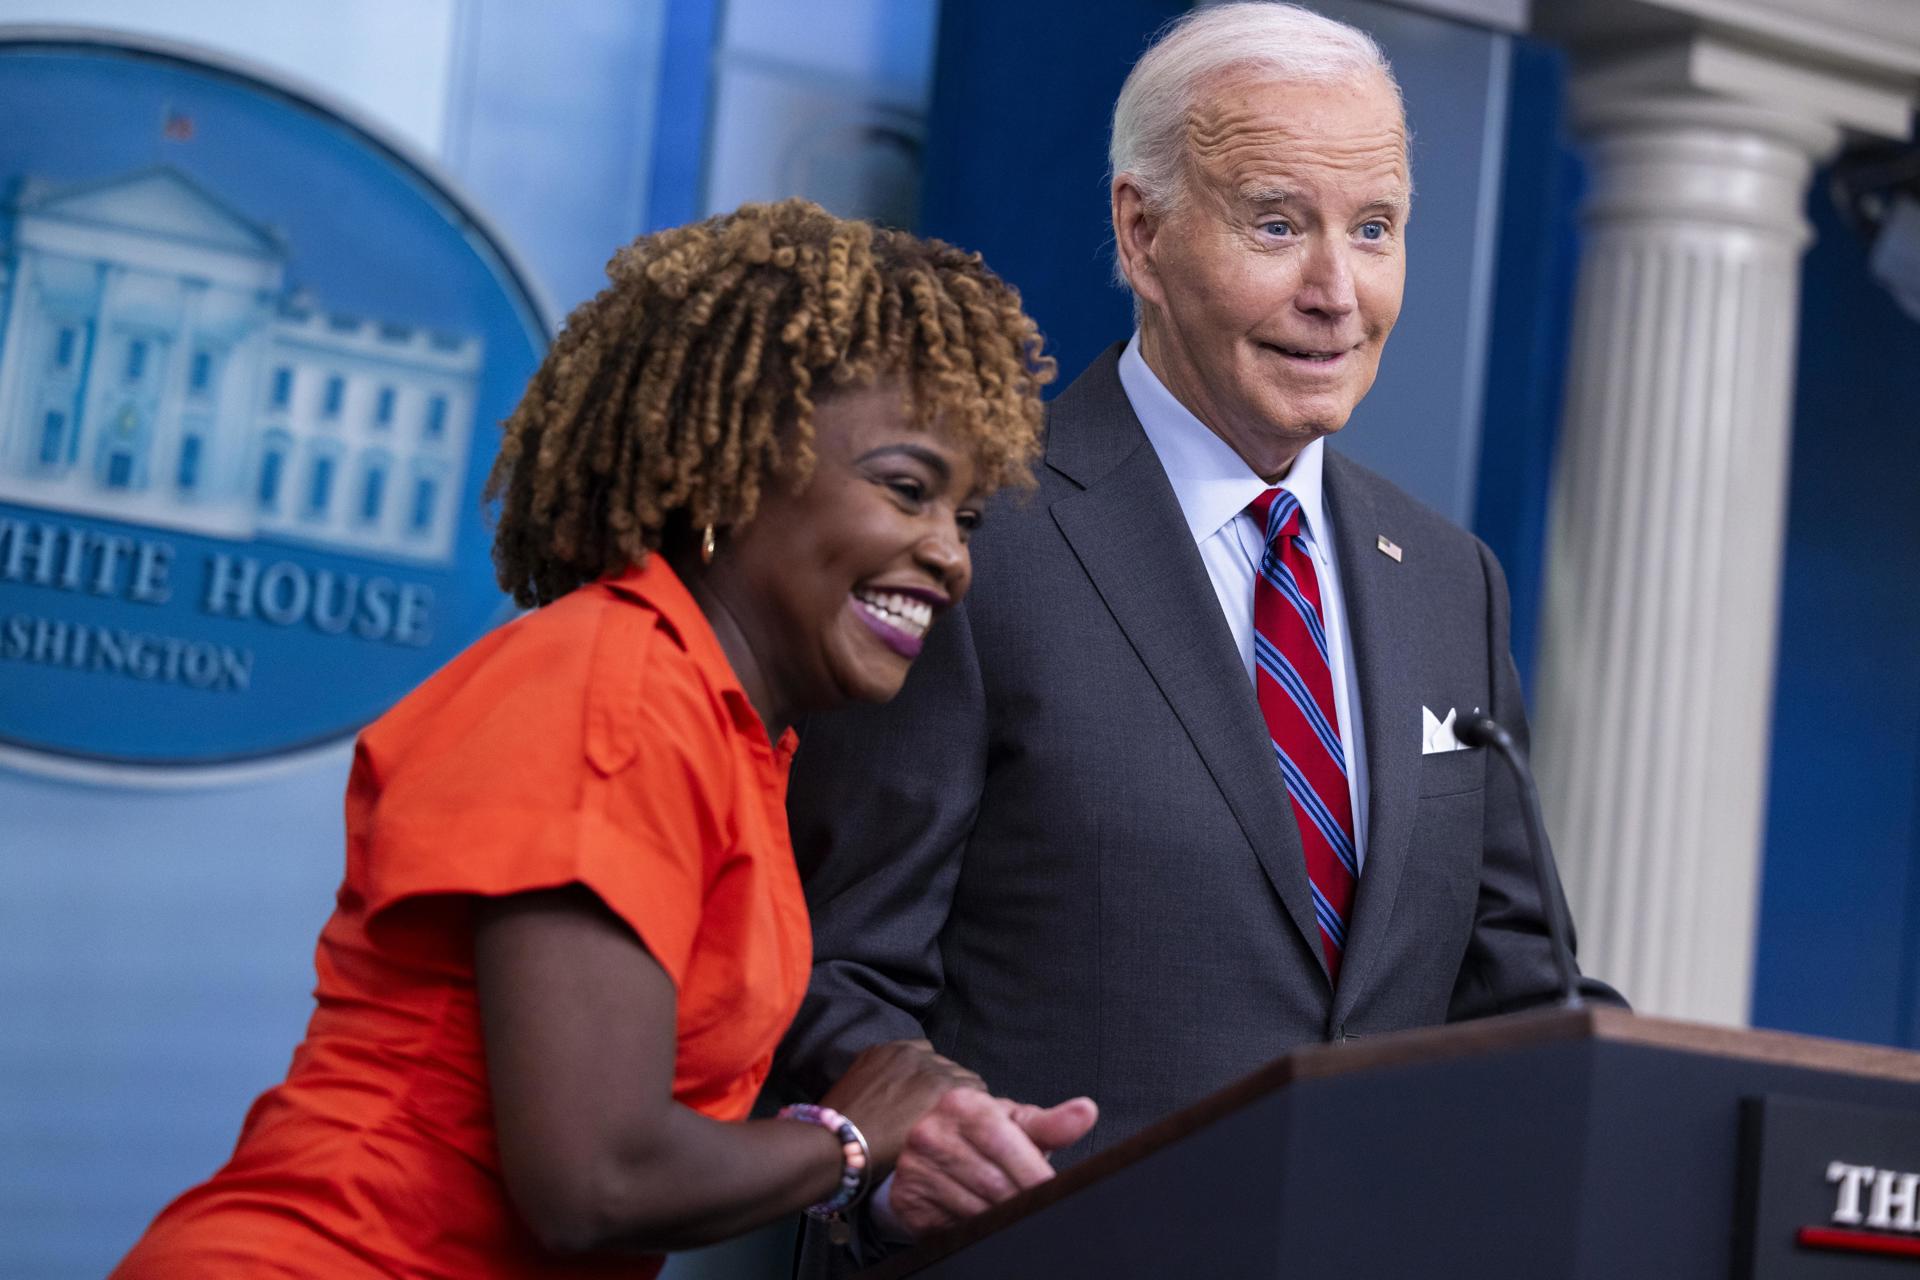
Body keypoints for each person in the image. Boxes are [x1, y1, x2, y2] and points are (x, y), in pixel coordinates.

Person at [772, 2, 1624, 1262]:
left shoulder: (1454, 581)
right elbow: (831, 960)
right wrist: (914, 1143)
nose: (1337, 293)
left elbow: (1514, 987)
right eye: (1278, 224)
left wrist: (1646, 1090)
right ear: (1143, 232)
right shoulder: (974, 531)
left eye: (1374, 230)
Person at [110, 198, 1088, 1279]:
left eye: (967, 520)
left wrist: (901, 1155)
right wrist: (850, 1137)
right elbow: (595, 1178)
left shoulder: (726, 729)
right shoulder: (610, 688)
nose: (949, 556)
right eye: (907, 490)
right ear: (733, 471)